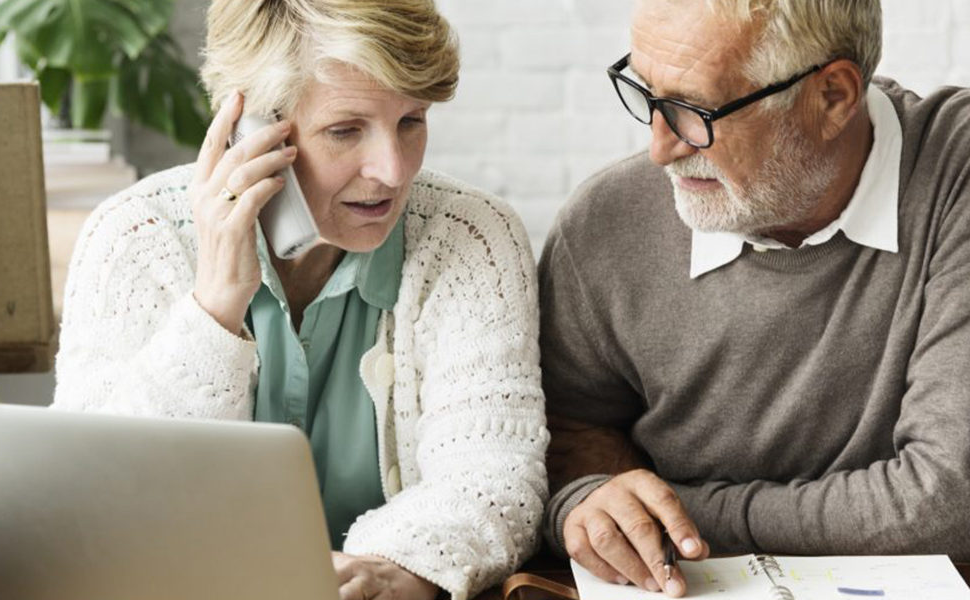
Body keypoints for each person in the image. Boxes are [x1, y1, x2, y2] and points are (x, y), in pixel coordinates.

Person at [51, 1, 549, 598]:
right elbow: (96, 502)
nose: (392, 171)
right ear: (252, 128)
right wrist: (214, 307)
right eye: (345, 130)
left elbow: (495, 477)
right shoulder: (133, 239)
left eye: (411, 121)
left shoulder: (472, 237)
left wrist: (391, 570)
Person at [540, 0, 970, 597]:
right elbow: (553, 437)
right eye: (647, 93)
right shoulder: (605, 225)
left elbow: (946, 502)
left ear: (834, 98)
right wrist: (591, 501)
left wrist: (677, 514)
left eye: (693, 110)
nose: (660, 148)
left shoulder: (956, 175)